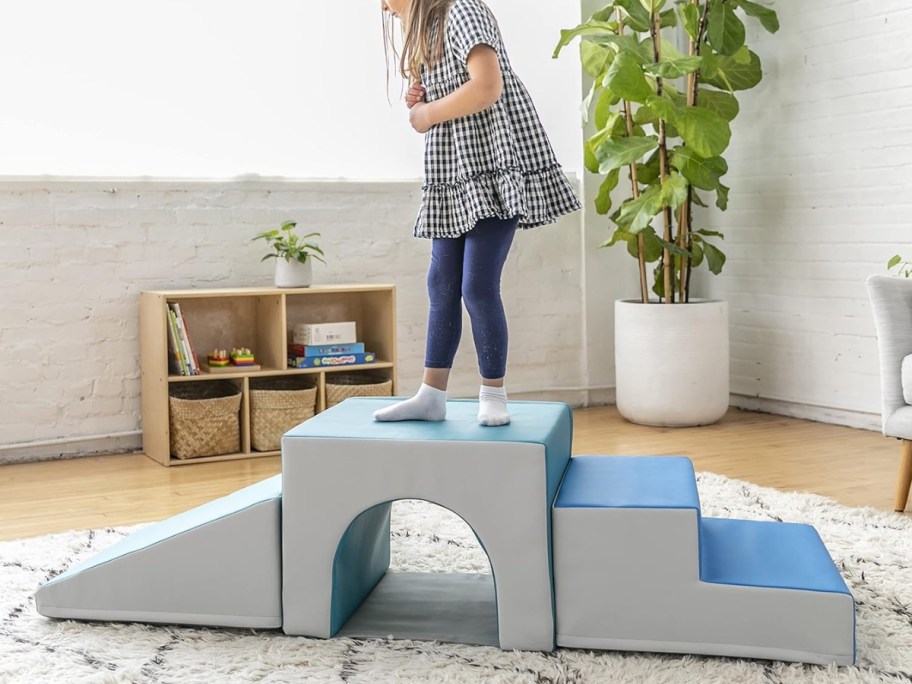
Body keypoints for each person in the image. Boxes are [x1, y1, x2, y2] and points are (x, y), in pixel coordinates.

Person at [374, 0, 580, 426]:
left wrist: (427, 113)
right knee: (441, 282)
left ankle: (493, 392)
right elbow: (454, 89)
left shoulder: (463, 10)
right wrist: (424, 94)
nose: (382, 5)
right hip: (456, 172)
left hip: (493, 166)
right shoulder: (427, 31)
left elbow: (486, 87)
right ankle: (431, 395)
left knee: (478, 285)